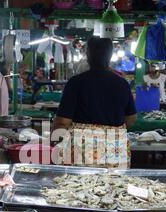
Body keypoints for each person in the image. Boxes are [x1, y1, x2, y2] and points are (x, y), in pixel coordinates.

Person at [53, 37, 137, 168]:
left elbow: (63, 122)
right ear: (110, 56)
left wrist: (56, 139)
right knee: (114, 186)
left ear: (87, 55)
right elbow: (131, 119)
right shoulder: (122, 84)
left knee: (78, 186)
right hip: (115, 149)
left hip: (82, 149)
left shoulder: (75, 83)